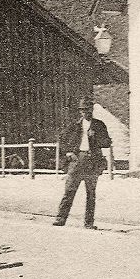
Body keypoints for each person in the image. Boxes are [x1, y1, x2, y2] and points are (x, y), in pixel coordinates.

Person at [53, 98, 113, 229]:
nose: (86, 113)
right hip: (77, 160)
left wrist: (96, 137)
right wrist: (68, 152)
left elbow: (107, 143)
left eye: (88, 110)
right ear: (80, 112)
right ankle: (61, 218)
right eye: (83, 110)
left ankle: (88, 222)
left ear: (92, 110)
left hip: (92, 162)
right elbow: (62, 139)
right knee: (69, 190)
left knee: (91, 193)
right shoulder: (75, 125)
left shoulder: (99, 125)